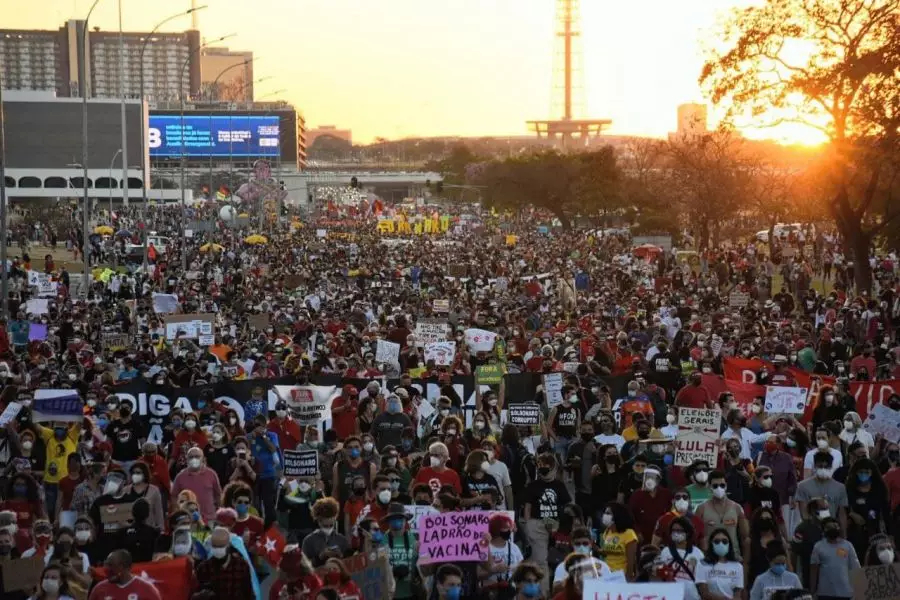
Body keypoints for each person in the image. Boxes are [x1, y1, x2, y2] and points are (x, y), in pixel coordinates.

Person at [522, 453, 570, 586]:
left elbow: (566, 505)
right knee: (540, 561)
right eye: (540, 465)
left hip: (556, 524)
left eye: (545, 465)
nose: (542, 468)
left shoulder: (559, 485)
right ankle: (544, 592)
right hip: (537, 523)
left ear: (553, 467)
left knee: (559, 560)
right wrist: (528, 524)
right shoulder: (533, 486)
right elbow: (528, 506)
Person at [694, 471, 750, 560]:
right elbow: (696, 536)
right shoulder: (701, 509)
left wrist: (746, 562)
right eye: (715, 486)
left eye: (722, 485)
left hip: (733, 556)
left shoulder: (737, 508)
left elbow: (745, 537)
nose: (719, 488)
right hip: (709, 557)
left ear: (726, 486)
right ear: (709, 487)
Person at [193, 527, 254, 600]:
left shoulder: (241, 565)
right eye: (215, 546)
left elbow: (248, 592)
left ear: (228, 545)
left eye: (221, 546)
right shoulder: (203, 568)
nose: (218, 549)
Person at [794, 451, 848, 533]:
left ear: (831, 467)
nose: (823, 469)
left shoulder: (840, 487)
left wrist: (843, 534)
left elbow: (841, 514)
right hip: (812, 530)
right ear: (815, 466)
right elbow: (804, 514)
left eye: (826, 467)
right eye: (820, 466)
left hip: (833, 530)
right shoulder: (803, 486)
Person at [809, 517, 859, 600]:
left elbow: (855, 568)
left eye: (835, 527)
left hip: (845, 592)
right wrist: (812, 591)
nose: (833, 529)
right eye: (829, 527)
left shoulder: (848, 546)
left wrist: (858, 590)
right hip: (825, 592)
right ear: (824, 529)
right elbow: (814, 570)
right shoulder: (818, 546)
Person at [657, 516, 704, 600]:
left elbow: (701, 581)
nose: (676, 533)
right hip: (671, 596)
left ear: (688, 533)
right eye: (673, 531)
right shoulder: (666, 551)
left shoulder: (697, 553)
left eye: (679, 531)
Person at [171, 447, 222, 523]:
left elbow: (218, 494)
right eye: (191, 457)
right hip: (188, 520)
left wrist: (218, 512)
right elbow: (174, 496)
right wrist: (179, 511)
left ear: (203, 459)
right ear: (187, 459)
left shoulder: (211, 474)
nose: (194, 459)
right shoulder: (180, 477)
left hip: (209, 519)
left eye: (197, 456)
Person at [88, 549, 161, 600]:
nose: (106, 569)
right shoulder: (99, 589)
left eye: (111, 565)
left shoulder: (147, 589)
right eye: (106, 564)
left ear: (124, 567)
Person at [695, 529, 744, 600]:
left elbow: (737, 595)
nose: (721, 544)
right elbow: (704, 593)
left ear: (729, 544)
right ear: (711, 543)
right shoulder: (703, 564)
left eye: (724, 541)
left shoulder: (738, 566)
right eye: (716, 541)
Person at [301, 497, 349, 568]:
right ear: (319, 521)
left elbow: (348, 566)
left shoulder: (342, 540)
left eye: (331, 525)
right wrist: (320, 557)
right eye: (325, 526)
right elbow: (304, 567)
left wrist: (340, 556)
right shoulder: (309, 541)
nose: (329, 528)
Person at [598, 502, 638, 581]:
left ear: (616, 515)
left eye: (608, 513)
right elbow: (606, 553)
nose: (605, 515)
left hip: (621, 576)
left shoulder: (628, 534)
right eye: (605, 513)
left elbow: (631, 561)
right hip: (607, 575)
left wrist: (628, 578)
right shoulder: (607, 532)